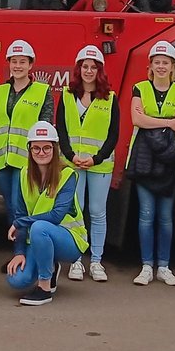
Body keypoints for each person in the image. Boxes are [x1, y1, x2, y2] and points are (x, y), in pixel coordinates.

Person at [56, 44, 120, 283]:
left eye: (94, 67)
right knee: (76, 211)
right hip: (72, 164)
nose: (89, 71)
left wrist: (96, 158)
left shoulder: (110, 98)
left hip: (99, 166)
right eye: (85, 66)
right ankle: (76, 261)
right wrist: (71, 155)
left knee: (97, 212)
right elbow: (61, 129)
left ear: (100, 70)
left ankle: (96, 261)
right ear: (79, 69)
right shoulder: (67, 95)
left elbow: (113, 134)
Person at [5, 121, 86, 306]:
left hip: (70, 240)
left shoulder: (67, 174)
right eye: (36, 148)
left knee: (39, 227)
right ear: (30, 149)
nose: (41, 153)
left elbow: (57, 216)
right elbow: (20, 213)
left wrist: (20, 223)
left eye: (47, 148)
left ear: (55, 149)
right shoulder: (24, 174)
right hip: (39, 237)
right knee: (16, 280)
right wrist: (19, 252)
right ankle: (51, 265)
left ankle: (44, 288)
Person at [128, 40, 175, 287]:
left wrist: (152, 119)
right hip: (144, 160)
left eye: (165, 62)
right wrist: (167, 122)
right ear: (150, 66)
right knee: (146, 215)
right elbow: (136, 119)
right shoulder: (140, 88)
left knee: (165, 217)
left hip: (170, 161)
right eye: (157, 62)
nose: (161, 66)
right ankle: (146, 267)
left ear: (173, 67)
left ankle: (164, 267)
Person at [0, 39, 53, 219]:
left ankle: (23, 237)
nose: (18, 66)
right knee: (9, 204)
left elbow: (46, 126)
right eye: (14, 61)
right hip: (2, 160)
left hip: (27, 160)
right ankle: (14, 236)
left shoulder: (42, 91)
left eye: (23, 62)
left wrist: (41, 158)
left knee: (20, 204)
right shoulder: (0, 91)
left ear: (30, 65)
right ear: (9, 63)